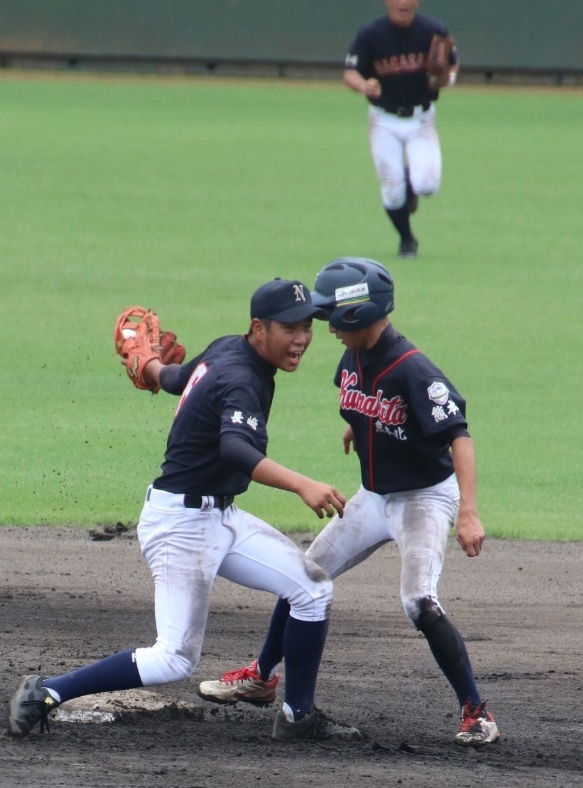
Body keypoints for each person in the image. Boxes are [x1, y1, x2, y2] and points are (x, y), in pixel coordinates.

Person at [8, 277, 361, 743]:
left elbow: (177, 378)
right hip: (180, 526)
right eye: (289, 328)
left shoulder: (228, 349)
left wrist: (150, 365)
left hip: (219, 518)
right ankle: (47, 692)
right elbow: (235, 449)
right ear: (259, 328)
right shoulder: (241, 378)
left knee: (312, 588)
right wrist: (302, 485)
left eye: (307, 327)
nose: (302, 339)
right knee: (174, 658)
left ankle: (299, 716)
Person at [198, 257, 499, 748]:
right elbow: (367, 402)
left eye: (332, 318)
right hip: (374, 497)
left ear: (358, 316)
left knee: (418, 603)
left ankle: (476, 712)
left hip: (424, 499)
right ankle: (261, 675)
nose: (324, 328)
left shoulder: (414, 369)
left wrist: (468, 511)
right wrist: (359, 426)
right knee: (303, 573)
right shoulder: (355, 356)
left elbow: (458, 436)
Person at [343, 0, 458, 258]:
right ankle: (407, 239)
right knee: (392, 191)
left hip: (421, 120)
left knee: (427, 185)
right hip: (384, 121)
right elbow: (350, 73)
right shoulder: (371, 35)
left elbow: (451, 66)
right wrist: (363, 86)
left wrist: (447, 78)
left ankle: (411, 181)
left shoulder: (433, 29)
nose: (403, 1)